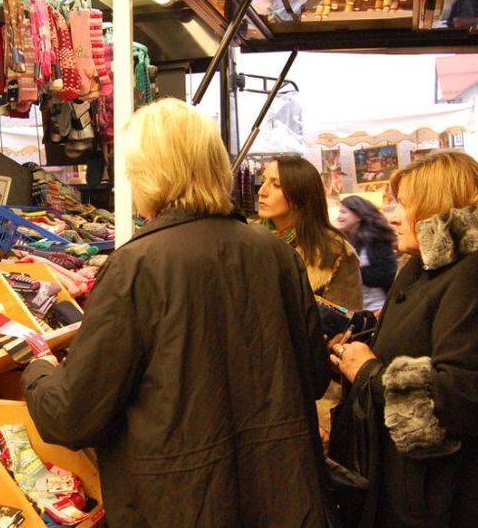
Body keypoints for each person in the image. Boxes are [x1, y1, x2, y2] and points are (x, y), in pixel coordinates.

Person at [21, 99, 331, 526]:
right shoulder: (276, 253)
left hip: (176, 502)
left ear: (151, 172)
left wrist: (37, 370)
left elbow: (73, 414)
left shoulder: (137, 267)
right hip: (282, 499)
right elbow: (312, 377)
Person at [329, 150, 478, 527]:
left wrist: (369, 372)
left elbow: (466, 396)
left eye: (403, 204)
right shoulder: (430, 270)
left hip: (469, 501)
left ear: (436, 205)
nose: (393, 216)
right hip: (425, 494)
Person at [258, 156, 364, 310]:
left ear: (299, 194)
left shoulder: (334, 252)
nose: (262, 191)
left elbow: (346, 321)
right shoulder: (247, 239)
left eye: (276, 185)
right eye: (263, 181)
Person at [336, 196, 397, 311]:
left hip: (378, 308)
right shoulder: (342, 242)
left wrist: (353, 272)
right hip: (356, 309)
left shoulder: (376, 239)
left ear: (358, 215)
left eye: (343, 212)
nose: (339, 217)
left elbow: (386, 274)